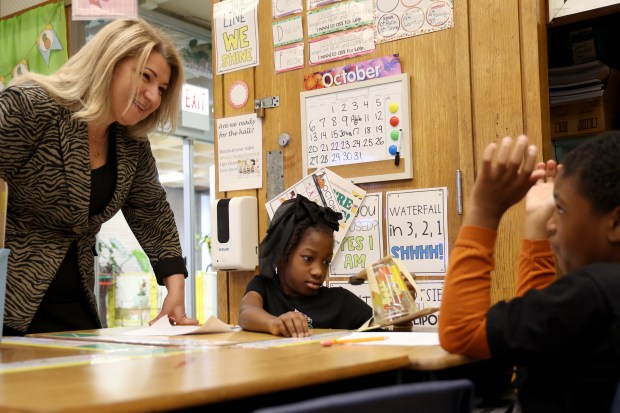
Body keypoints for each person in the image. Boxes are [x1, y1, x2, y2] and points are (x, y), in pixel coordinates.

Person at [0, 18, 198, 335]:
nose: (153, 97)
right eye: (145, 77)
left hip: (75, 307)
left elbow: (152, 211)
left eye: (161, 89)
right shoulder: (31, 106)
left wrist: (175, 289)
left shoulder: (130, 142)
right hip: (11, 304)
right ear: (110, 62)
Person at [438, 132, 620, 412]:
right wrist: (535, 222)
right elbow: (538, 336)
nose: (551, 225)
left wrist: (483, 210)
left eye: (560, 209)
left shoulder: (591, 292)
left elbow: (460, 331)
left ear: (615, 223)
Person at [238, 195, 373, 337]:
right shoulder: (264, 287)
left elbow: (384, 327)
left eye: (326, 262)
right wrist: (273, 323)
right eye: (308, 259)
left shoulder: (341, 301)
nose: (318, 271)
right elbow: (246, 312)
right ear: (282, 256)